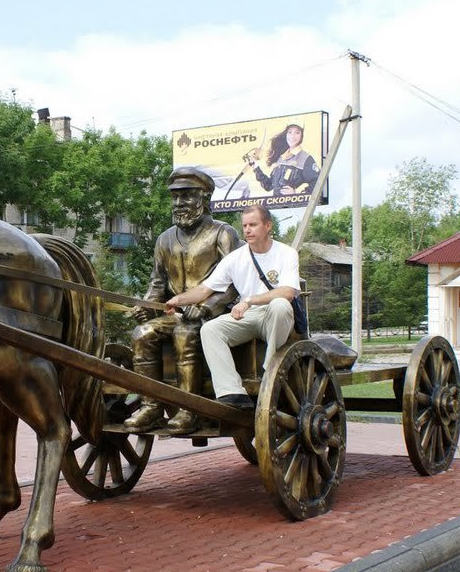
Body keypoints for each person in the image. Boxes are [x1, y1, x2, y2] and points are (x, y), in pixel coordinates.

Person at [124, 167, 241, 435]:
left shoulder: (223, 233)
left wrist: (208, 306)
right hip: (176, 312)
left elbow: (236, 282)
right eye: (175, 198)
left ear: (205, 198)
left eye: (187, 196)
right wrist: (147, 307)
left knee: (185, 334)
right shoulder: (164, 239)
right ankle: (151, 406)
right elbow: (157, 282)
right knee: (142, 334)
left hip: (215, 315)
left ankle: (190, 410)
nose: (179, 203)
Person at [164, 205, 300, 409]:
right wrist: (178, 300)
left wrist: (249, 300)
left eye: (253, 225)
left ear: (268, 225)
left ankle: (270, 374)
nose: (247, 230)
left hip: (277, 316)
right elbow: (204, 290)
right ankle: (232, 392)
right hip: (248, 317)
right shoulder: (235, 258)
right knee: (210, 329)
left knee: (280, 305)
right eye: (245, 225)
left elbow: (288, 292)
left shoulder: (286, 253)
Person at [246, 123, 319, 196]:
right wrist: (256, 168)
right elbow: (269, 186)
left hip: (292, 206)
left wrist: (297, 195)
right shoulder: (281, 158)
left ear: (302, 135)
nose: (292, 136)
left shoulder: (305, 158)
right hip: (276, 205)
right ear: (286, 134)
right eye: (290, 132)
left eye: (297, 132)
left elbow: (318, 181)